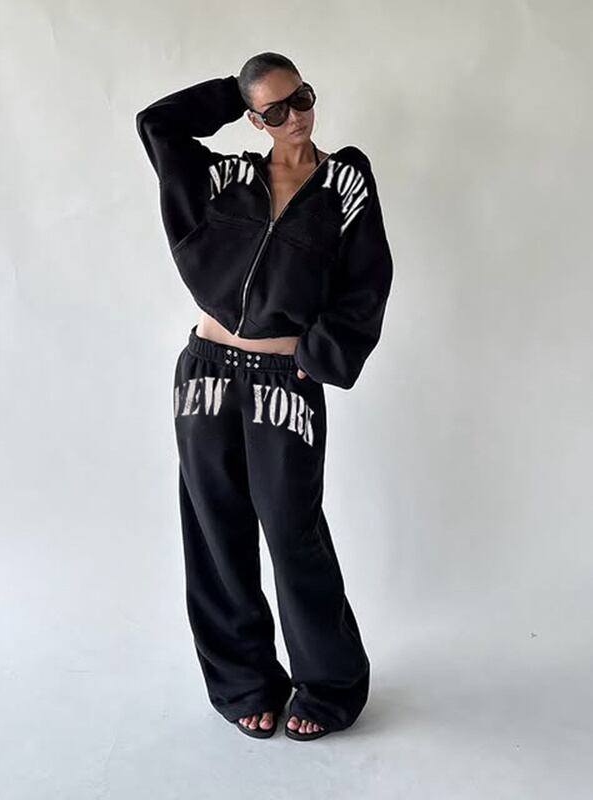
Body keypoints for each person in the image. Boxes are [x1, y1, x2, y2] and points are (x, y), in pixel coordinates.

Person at [136, 52, 393, 741]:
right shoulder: (227, 177)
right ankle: (246, 683)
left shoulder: (345, 181)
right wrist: (234, 90)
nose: (294, 116)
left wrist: (320, 357)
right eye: (273, 109)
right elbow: (158, 125)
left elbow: (367, 279)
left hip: (286, 379)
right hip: (206, 374)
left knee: (291, 529)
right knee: (216, 530)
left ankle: (329, 686)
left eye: (300, 98)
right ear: (253, 118)